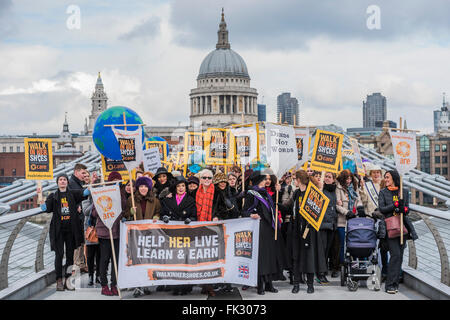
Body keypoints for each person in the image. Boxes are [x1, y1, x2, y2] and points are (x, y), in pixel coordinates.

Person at [242, 171, 285, 295]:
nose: (266, 180)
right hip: (259, 227)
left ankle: (269, 284)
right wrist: (251, 215)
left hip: (269, 227)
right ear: (259, 180)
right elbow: (244, 211)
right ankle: (260, 284)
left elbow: (272, 208)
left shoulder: (266, 193)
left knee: (270, 256)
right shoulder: (251, 194)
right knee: (261, 258)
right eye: (264, 179)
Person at [43, 173, 87, 291]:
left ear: (67, 182)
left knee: (69, 256)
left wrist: (91, 184)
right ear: (57, 183)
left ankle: (68, 280)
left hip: (71, 230)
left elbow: (84, 194)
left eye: (64, 180)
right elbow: (47, 208)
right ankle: (59, 280)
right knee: (59, 255)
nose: (62, 181)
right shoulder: (53, 196)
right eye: (60, 180)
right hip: (58, 230)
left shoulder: (72, 194)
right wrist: (43, 205)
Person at [378, 169, 417, 294]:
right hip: (390, 227)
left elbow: (407, 210)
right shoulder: (383, 192)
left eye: (388, 177)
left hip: (402, 228)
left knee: (399, 256)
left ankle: (395, 283)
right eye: (385, 177)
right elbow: (382, 209)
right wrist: (394, 205)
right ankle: (389, 284)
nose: (386, 179)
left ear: (394, 178)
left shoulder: (403, 192)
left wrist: (402, 208)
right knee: (395, 255)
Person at [290, 170, 327, 294]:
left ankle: (310, 285)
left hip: (309, 230)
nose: (294, 181)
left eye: (295, 178)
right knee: (296, 258)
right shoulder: (296, 193)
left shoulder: (311, 192)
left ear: (299, 180)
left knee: (309, 258)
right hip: (296, 230)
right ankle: (296, 284)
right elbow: (291, 207)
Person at [124, 176, 161, 297]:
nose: (143, 188)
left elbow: (158, 212)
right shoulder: (132, 200)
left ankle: (146, 284)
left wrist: (156, 217)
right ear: (138, 188)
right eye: (141, 186)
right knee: (136, 259)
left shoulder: (154, 200)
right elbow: (125, 214)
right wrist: (130, 212)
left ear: (149, 188)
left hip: (149, 234)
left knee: (147, 259)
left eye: (145, 186)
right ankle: (137, 285)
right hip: (135, 234)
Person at [91, 171, 126, 296]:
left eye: (118, 181)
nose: (116, 183)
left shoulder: (121, 194)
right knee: (104, 259)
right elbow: (94, 213)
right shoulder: (102, 193)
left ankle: (114, 284)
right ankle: (104, 285)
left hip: (118, 231)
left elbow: (124, 209)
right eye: (114, 180)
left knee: (116, 259)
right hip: (105, 231)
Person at [160, 176, 197, 295]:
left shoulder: (191, 200)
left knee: (186, 259)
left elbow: (194, 215)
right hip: (172, 234)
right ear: (175, 188)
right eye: (178, 186)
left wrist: (190, 219)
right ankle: (175, 285)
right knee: (174, 259)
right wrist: (164, 218)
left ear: (185, 187)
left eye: (183, 186)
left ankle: (186, 286)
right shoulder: (167, 200)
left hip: (186, 233)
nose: (181, 188)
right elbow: (163, 213)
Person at [335, 169, 363, 271]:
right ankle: (343, 264)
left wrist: (360, 208)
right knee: (343, 244)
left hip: (354, 220)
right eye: (347, 178)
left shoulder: (354, 187)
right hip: (343, 221)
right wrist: (346, 212)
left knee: (354, 243)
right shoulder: (338, 188)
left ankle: (354, 263)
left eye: (350, 178)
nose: (349, 180)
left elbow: (358, 200)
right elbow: (337, 206)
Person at [195, 169, 216, 297]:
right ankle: (204, 284)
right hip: (199, 227)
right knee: (201, 257)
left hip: (212, 228)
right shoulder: (195, 192)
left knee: (211, 257)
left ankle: (210, 285)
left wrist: (216, 216)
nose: (207, 180)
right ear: (200, 179)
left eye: (209, 178)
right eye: (204, 178)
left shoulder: (216, 191)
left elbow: (220, 207)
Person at [318, 172, 338, 284]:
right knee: (322, 249)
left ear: (334, 179)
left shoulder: (334, 191)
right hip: (322, 224)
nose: (326, 178)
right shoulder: (321, 189)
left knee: (327, 250)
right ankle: (320, 273)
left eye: (329, 177)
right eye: (325, 176)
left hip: (332, 224)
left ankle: (323, 271)